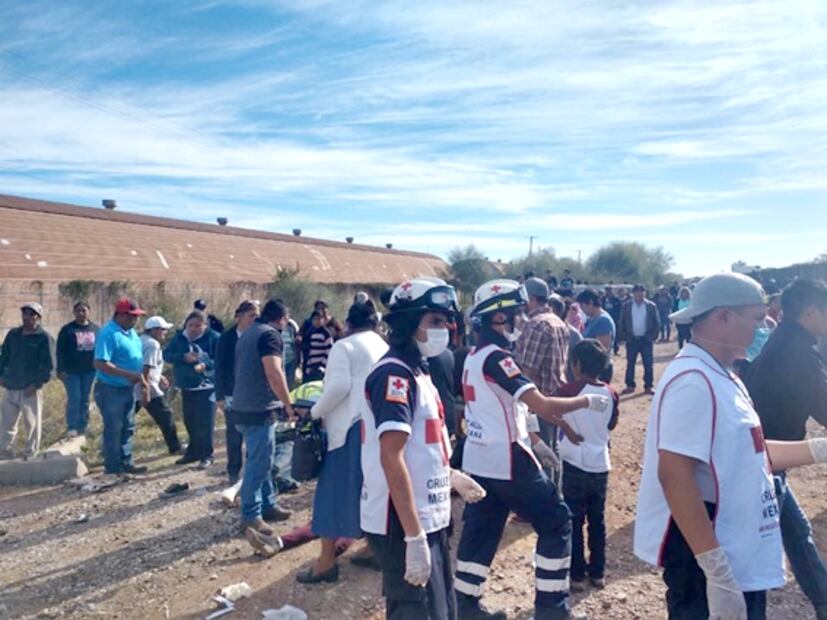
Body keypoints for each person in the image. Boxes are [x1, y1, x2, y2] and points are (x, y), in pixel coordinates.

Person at [634, 271, 827, 620]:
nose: (764, 327)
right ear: (724, 316)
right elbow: (675, 474)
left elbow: (748, 452)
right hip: (709, 551)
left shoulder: (722, 374)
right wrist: (716, 572)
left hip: (733, 542)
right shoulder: (693, 381)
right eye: (756, 318)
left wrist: (817, 449)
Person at [454, 279, 611, 620]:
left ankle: (464, 605)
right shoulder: (499, 359)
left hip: (480, 458)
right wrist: (586, 399)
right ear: (494, 319)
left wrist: (537, 441)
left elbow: (505, 408)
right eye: (512, 315)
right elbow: (541, 404)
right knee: (557, 522)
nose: (518, 322)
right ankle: (552, 610)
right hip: (508, 460)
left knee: (483, 529)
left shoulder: (472, 356)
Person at [362, 277, 486, 620]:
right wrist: (414, 537)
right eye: (434, 321)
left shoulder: (418, 372)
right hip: (402, 520)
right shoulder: (394, 377)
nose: (444, 328)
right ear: (407, 322)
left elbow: (421, 444)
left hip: (426, 512)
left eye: (446, 320)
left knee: (441, 606)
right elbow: (391, 456)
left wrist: (449, 475)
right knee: (418, 611)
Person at [746, 279, 827, 619]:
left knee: (797, 531)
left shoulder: (784, 339)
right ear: (810, 312)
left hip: (766, 457)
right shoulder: (800, 354)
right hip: (767, 461)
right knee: (757, 554)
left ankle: (823, 600)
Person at [291, 302, 389, 583]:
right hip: (378, 426)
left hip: (349, 429)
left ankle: (325, 563)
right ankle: (374, 548)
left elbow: (336, 388)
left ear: (348, 323)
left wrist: (312, 413)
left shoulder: (344, 347)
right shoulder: (381, 344)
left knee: (331, 494)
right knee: (373, 489)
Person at [557, 339, 619, 592]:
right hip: (600, 463)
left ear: (577, 365)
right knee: (597, 520)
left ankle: (576, 575)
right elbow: (612, 424)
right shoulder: (611, 392)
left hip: (574, 461)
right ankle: (598, 572)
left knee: (574, 519)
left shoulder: (569, 390)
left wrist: (566, 428)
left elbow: (547, 408)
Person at [234, 299, 294, 536]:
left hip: (244, 405)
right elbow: (274, 372)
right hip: (258, 409)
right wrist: (288, 404)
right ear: (281, 318)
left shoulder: (248, 333)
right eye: (286, 321)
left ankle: (268, 504)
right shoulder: (270, 336)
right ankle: (250, 515)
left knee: (262, 458)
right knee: (259, 463)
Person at [514, 277, 570, 457]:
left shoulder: (537, 324)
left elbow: (528, 370)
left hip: (538, 402)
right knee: (553, 449)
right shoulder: (557, 321)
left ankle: (548, 485)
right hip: (555, 395)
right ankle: (555, 485)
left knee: (540, 453)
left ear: (531, 298)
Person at [93, 298, 147, 474]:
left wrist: (142, 381)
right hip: (110, 389)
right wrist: (128, 375)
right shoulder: (108, 333)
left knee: (128, 426)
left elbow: (136, 359)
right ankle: (113, 466)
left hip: (127, 388)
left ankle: (126, 462)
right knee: (114, 427)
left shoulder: (131, 333)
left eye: (136, 317)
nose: (135, 320)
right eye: (132, 316)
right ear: (121, 315)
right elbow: (101, 363)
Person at [164, 310, 219, 468]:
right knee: (190, 421)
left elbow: (223, 359)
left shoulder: (213, 338)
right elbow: (166, 354)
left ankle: (206, 455)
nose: (194, 329)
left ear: (205, 326)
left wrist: (205, 365)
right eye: (190, 325)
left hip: (207, 386)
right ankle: (193, 452)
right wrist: (183, 357)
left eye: (198, 325)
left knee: (205, 422)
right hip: (186, 385)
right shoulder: (180, 338)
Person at [0, 303, 53, 460]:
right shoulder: (13, 334)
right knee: (7, 423)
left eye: (32, 314)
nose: (27, 317)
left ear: (38, 317)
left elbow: (49, 366)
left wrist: (37, 385)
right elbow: (4, 356)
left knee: (32, 424)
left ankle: (30, 453)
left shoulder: (43, 338)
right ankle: (5, 452)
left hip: (30, 388)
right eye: (25, 313)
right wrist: (1, 375)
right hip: (11, 385)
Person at [215, 300, 260, 485]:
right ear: (239, 316)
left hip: (252, 394)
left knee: (254, 436)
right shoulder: (226, 338)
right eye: (251, 315)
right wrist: (219, 396)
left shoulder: (258, 335)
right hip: (231, 394)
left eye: (256, 316)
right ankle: (233, 471)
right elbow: (219, 367)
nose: (254, 319)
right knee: (234, 435)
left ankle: (251, 473)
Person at [135, 316, 181, 455]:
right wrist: (146, 390)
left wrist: (159, 376)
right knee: (166, 417)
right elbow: (146, 367)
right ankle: (175, 447)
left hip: (137, 386)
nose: (165, 333)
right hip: (148, 387)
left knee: (126, 420)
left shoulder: (141, 340)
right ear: (154, 330)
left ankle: (110, 451)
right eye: (163, 330)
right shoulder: (152, 344)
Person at [56, 301, 99, 437]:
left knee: (85, 397)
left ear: (89, 311)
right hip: (71, 371)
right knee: (75, 397)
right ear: (74, 313)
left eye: (84, 310)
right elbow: (60, 351)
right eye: (78, 311)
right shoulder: (67, 330)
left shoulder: (96, 329)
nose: (81, 313)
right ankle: (72, 426)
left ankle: (84, 425)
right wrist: (60, 369)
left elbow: (100, 349)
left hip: (90, 370)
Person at [618, 284, 660, 395]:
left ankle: (648, 386)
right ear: (633, 294)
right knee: (630, 363)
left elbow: (656, 323)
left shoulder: (651, 306)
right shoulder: (626, 306)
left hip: (646, 340)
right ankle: (630, 385)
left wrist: (652, 337)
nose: (639, 295)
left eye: (641, 292)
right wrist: (625, 337)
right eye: (637, 293)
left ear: (644, 293)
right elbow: (622, 322)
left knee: (648, 364)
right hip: (632, 339)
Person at [576, 289, 616, 383]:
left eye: (582, 306)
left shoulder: (603, 321)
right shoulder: (593, 319)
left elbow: (603, 348)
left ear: (590, 303)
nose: (582, 310)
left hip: (599, 370)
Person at [302, 311, 334, 382]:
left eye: (319, 319)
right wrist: (309, 365)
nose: (317, 321)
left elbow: (329, 350)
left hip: (321, 367)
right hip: (313, 366)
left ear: (323, 320)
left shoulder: (326, 333)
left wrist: (323, 365)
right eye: (315, 319)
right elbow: (311, 351)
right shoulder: (312, 333)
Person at [281, 313, 301, 390]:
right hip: (280, 361)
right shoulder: (273, 329)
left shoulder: (291, 327)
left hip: (290, 361)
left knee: (289, 384)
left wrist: (297, 359)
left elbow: (296, 343)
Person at [602, 288, 622, 355]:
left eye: (609, 291)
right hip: (604, 320)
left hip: (615, 319)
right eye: (607, 291)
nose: (608, 293)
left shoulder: (616, 300)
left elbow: (620, 309)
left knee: (615, 335)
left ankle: (616, 349)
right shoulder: (603, 300)